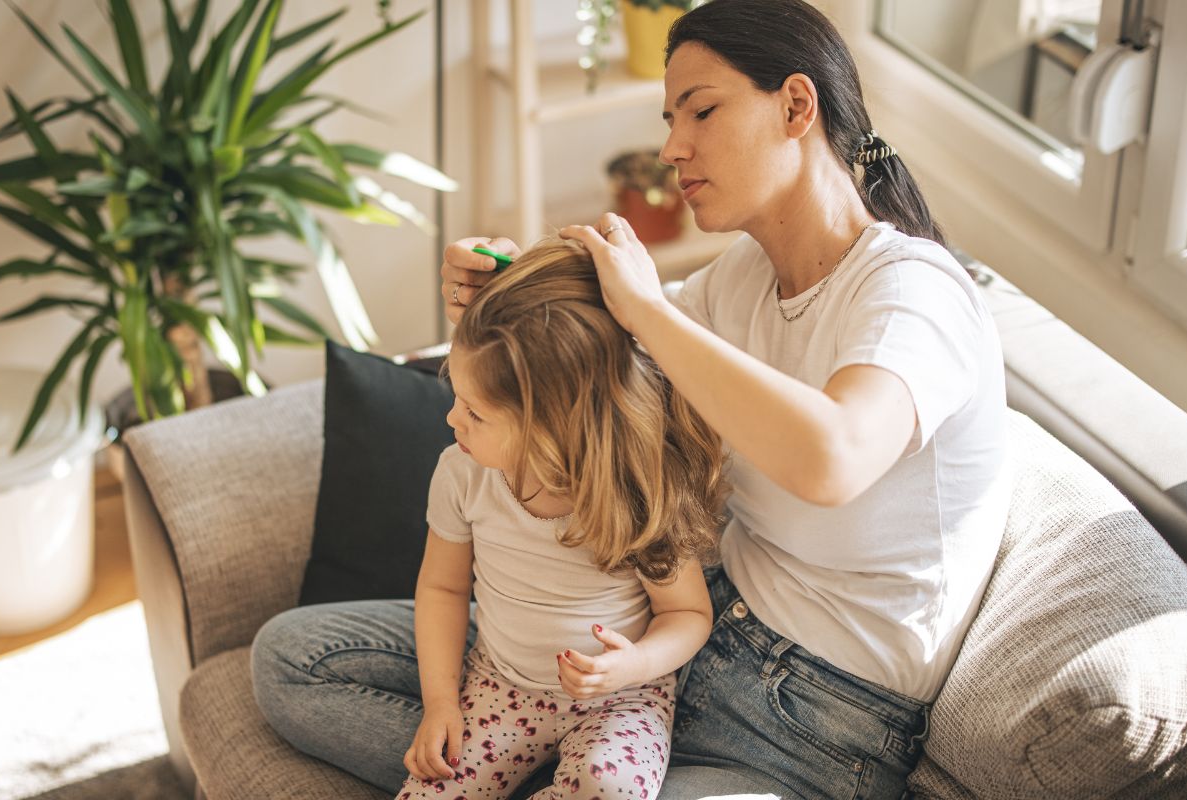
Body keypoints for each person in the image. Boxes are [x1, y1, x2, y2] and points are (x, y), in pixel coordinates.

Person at [254, 0, 1010, 797]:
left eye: (702, 111)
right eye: (668, 117)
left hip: (801, 721)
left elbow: (832, 458)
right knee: (292, 660)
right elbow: (581, 355)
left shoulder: (913, 291)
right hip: (649, 639)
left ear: (795, 105)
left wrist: (647, 310)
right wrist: (502, 292)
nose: (671, 147)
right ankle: (521, 759)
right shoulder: (740, 280)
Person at [395, 240, 727, 800]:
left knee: (610, 787)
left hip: (620, 698)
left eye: (476, 412)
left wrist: (634, 663)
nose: (453, 418)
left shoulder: (635, 491)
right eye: (457, 396)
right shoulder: (462, 473)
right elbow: (442, 586)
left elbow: (689, 613)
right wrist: (441, 704)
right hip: (499, 683)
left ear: (555, 428)